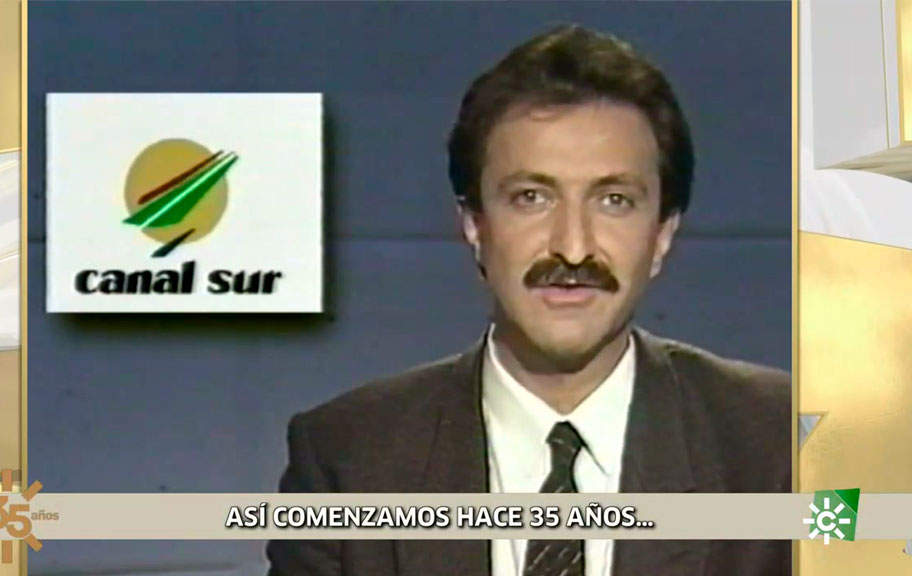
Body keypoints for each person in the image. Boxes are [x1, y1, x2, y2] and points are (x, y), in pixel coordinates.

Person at [267, 24, 790, 576]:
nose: (573, 247)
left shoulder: (782, 446)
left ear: (662, 234)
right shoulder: (348, 459)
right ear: (474, 224)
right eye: (531, 197)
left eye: (614, 200)